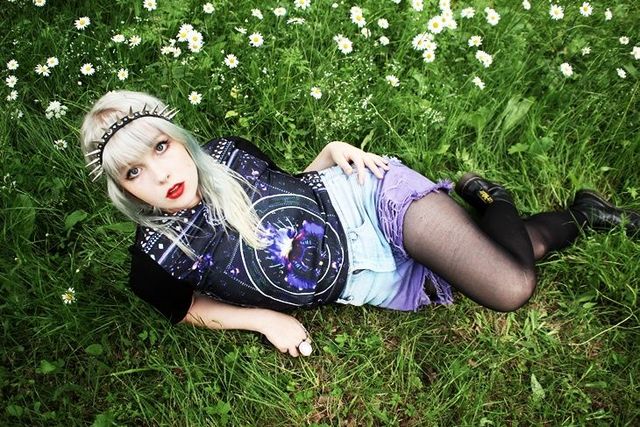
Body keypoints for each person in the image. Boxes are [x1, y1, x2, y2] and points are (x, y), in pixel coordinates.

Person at [80, 90, 640, 357]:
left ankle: (499, 200)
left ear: (179, 140)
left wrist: (329, 154)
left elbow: (289, 188)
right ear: (122, 188)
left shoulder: (228, 154)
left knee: (508, 286)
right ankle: (582, 214)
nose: (161, 174)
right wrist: (263, 321)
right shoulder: (154, 259)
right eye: (134, 170)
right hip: (367, 280)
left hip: (367, 202)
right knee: (522, 251)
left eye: (160, 147)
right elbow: (187, 309)